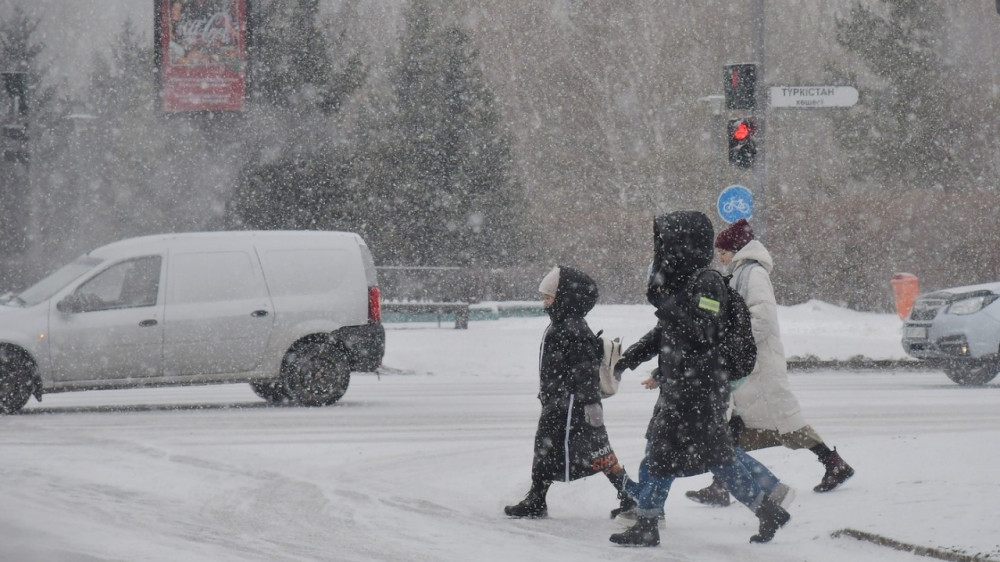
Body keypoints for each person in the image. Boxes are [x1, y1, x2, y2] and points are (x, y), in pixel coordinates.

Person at [609, 211, 791, 546]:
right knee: (671, 453)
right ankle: (765, 510)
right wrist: (627, 360)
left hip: (702, 389)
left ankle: (651, 524)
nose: (662, 251)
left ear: (685, 245)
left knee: (711, 457)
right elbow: (664, 334)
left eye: (668, 243)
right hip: (683, 387)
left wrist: (667, 306)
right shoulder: (685, 281)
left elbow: (703, 331)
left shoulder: (708, 282)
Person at [685, 219, 855, 507]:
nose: (721, 258)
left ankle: (833, 462)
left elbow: (761, 320)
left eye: (724, 252)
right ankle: (721, 484)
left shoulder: (753, 274)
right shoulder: (740, 273)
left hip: (760, 364)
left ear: (736, 250)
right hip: (748, 363)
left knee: (785, 419)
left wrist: (734, 344)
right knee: (733, 421)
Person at [504, 265, 636, 519]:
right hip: (561, 402)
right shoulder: (564, 324)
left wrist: (590, 405)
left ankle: (630, 495)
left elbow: (585, 372)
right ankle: (538, 497)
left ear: (566, 298)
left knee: (588, 451)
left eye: (549, 298)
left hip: (570, 405)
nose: (545, 304)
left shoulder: (572, 328)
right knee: (582, 450)